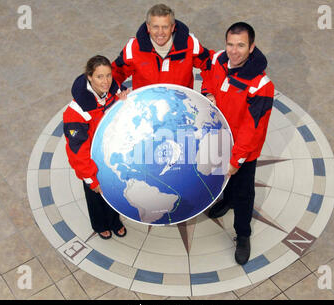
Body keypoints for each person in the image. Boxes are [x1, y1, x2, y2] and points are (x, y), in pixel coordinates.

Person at [201, 22, 274, 265]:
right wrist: (208, 92)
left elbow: (252, 129)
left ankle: (243, 235)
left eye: (241, 45)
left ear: (251, 47)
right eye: (230, 44)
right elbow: (209, 76)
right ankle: (227, 200)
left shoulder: (262, 86)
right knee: (225, 179)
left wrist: (236, 159)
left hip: (243, 150)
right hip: (219, 138)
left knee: (244, 192)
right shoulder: (219, 60)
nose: (234, 51)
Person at [63, 55, 127, 240]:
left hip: (111, 156)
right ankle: (100, 225)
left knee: (113, 190)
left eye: (108, 76)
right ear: (89, 77)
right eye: (100, 77)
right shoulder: (75, 112)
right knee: (96, 197)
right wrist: (92, 179)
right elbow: (77, 153)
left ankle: (115, 222)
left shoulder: (115, 92)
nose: (106, 81)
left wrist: (124, 100)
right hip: (90, 162)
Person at [111, 3, 211, 90]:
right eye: (155, 27)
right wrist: (121, 91)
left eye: (165, 27)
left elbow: (210, 65)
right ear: (148, 27)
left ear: (172, 27)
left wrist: (208, 90)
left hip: (181, 106)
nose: (160, 32)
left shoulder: (190, 44)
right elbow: (114, 73)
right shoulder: (133, 49)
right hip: (147, 107)